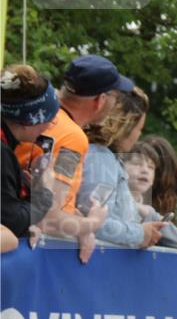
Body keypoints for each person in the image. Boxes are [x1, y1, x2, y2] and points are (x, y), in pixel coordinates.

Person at [17, 56, 127, 259]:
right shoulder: (72, 138)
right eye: (115, 97)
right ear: (100, 100)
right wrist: (91, 224)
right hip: (29, 253)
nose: (115, 105)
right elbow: (49, 219)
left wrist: (76, 220)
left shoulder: (33, 115)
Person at [77, 87, 172, 249]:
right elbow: (95, 224)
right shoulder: (100, 159)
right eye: (139, 129)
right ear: (125, 127)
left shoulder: (108, 158)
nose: (139, 136)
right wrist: (140, 233)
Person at [1, 64, 59, 237]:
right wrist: (45, 192)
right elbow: (11, 223)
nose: (49, 126)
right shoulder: (2, 154)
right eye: (49, 119)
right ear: (28, 121)